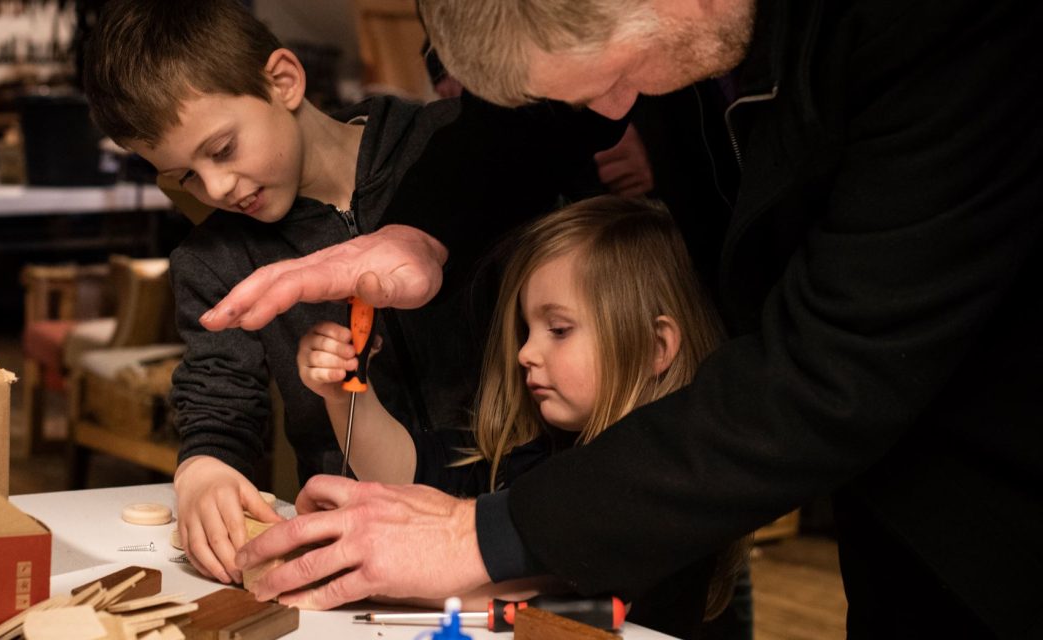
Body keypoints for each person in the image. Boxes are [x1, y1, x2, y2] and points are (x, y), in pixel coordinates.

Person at [214, 0, 1043, 635]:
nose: (615, 113)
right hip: (895, 507)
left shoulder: (938, 30)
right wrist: (419, 234)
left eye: (618, 76)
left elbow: (833, 372)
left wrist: (485, 540)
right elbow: (531, 118)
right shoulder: (649, 34)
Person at [81, 0, 625, 588]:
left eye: (221, 150)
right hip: (367, 552)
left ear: (283, 80)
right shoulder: (214, 258)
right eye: (184, 175)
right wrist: (205, 467)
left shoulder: (455, 151)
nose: (215, 188)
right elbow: (219, 397)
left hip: (542, 527)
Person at [300, 196, 748, 637]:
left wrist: (390, 575)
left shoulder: (667, 491)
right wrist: (344, 397)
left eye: (559, 330)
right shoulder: (533, 453)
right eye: (527, 331)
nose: (525, 353)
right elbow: (408, 470)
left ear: (656, 346)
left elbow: (556, 605)